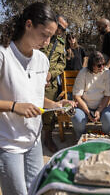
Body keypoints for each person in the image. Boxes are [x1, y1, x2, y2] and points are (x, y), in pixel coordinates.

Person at [0, 2, 76, 195]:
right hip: (8, 143)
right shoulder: (3, 55)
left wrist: (57, 105)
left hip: (33, 141)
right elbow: (21, 103)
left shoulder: (42, 60)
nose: (48, 42)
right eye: (44, 35)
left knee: (38, 190)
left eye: (51, 36)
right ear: (28, 25)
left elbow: (36, 98)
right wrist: (14, 106)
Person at [71, 51, 110, 139]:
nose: (102, 67)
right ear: (91, 65)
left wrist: (98, 110)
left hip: (103, 104)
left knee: (109, 122)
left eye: (104, 64)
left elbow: (108, 95)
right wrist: (88, 112)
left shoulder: (107, 72)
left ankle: (105, 138)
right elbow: (77, 96)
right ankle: (81, 137)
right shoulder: (83, 73)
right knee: (77, 118)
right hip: (85, 105)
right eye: (99, 65)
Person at [41, 15, 68, 153]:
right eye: (60, 27)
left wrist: (51, 75)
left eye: (64, 29)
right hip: (33, 78)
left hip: (50, 83)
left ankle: (48, 137)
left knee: (49, 113)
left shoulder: (61, 43)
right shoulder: (40, 36)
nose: (61, 30)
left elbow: (62, 64)